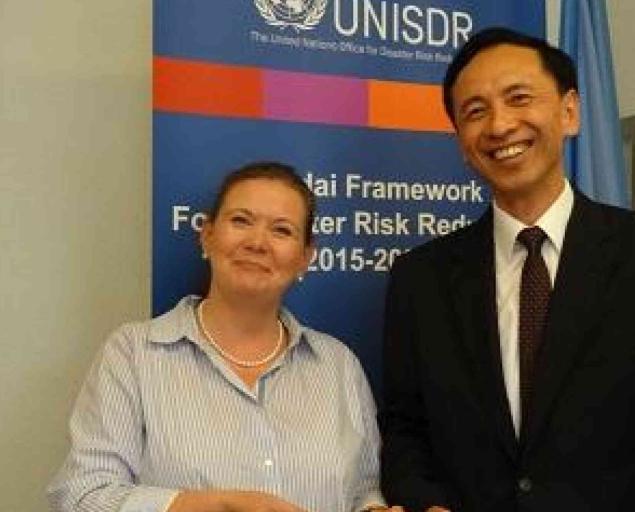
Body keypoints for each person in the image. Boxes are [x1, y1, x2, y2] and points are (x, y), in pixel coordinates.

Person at [380, 27, 635, 511]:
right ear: (461, 142)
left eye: (518, 98)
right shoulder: (419, 279)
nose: (500, 125)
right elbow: (404, 430)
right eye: (475, 111)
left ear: (569, 112)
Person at [48, 162, 400, 512]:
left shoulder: (338, 365)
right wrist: (215, 505)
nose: (257, 243)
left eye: (281, 230)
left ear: (305, 258)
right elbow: (82, 495)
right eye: (241, 221)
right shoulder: (133, 354)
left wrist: (374, 509)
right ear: (207, 236)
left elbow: (364, 491)